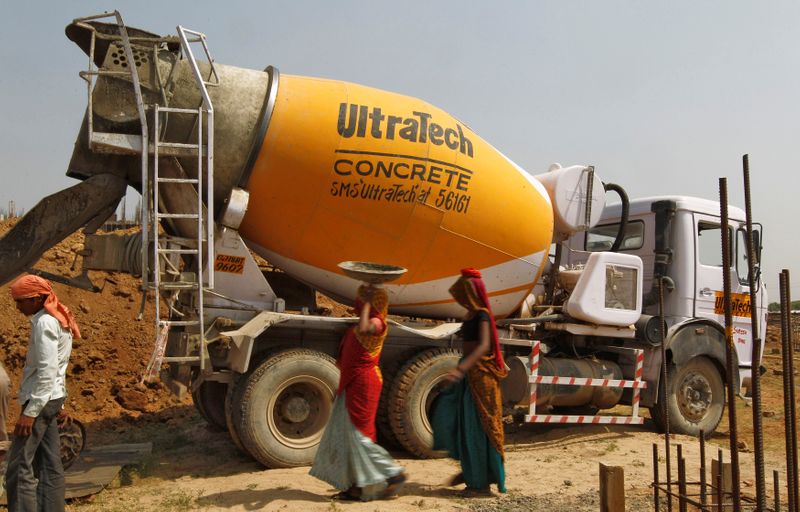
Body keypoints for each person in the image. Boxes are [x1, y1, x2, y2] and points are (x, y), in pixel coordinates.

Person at [310, 284, 407, 501]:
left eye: (362, 300)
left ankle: (393, 474)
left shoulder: (377, 322)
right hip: (354, 382)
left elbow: (364, 329)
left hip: (365, 383)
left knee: (359, 436)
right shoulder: (364, 321)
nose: (358, 302)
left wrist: (368, 306)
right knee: (347, 433)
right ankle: (355, 486)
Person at [432, 267, 508, 495]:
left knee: (477, 428)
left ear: (471, 293)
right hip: (469, 375)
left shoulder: (482, 314)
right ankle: (471, 470)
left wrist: (460, 369)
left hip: (480, 376)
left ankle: (481, 483)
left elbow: (484, 345)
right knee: (458, 421)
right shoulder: (470, 315)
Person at [5, 275, 78, 512]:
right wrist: (59, 402)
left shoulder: (45, 322)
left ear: (36, 299)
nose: (17, 307)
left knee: (19, 466)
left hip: (40, 401)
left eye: (21, 302)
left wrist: (31, 412)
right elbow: (59, 366)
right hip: (50, 399)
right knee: (50, 462)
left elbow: (48, 369)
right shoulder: (58, 317)